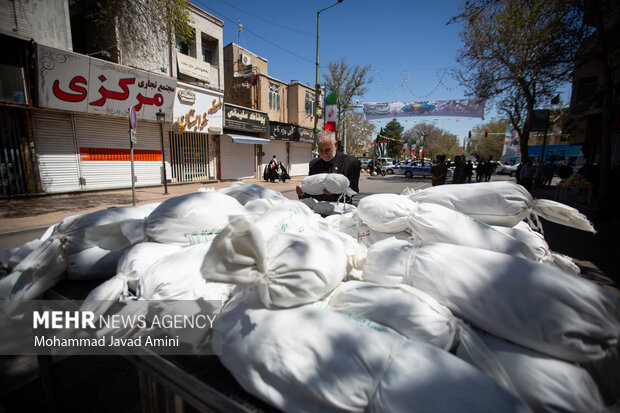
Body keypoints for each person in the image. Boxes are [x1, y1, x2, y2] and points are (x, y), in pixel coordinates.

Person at [296, 131, 361, 203]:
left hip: (341, 210)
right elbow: (311, 192)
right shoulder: (313, 164)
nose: (324, 154)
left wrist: (335, 192)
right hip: (318, 210)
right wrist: (302, 192)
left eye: (327, 150)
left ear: (335, 145)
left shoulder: (351, 163)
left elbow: (354, 190)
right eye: (321, 150)